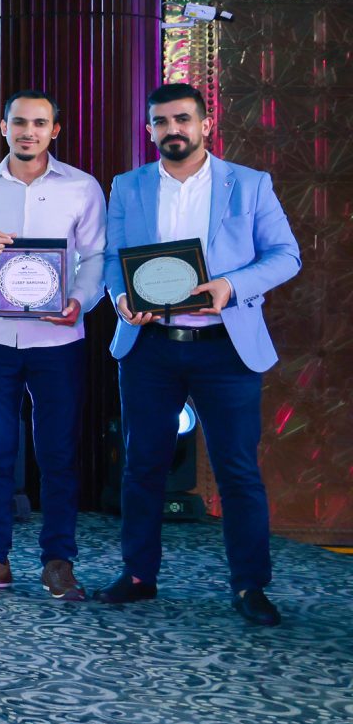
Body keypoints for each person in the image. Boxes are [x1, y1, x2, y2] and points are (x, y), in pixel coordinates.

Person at [99, 82, 302, 626]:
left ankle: (250, 585)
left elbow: (286, 255)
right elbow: (112, 258)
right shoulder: (128, 186)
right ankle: (138, 575)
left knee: (237, 471)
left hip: (225, 349)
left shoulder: (250, 184)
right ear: (150, 130)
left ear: (206, 124)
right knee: (142, 466)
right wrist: (119, 296)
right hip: (150, 348)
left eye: (183, 119)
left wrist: (231, 285)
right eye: (162, 122)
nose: (174, 130)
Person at [0, 89, 105, 601]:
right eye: (19, 122)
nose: (28, 132)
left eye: (39, 123)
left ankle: (58, 562)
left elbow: (96, 257)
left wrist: (80, 300)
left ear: (54, 130)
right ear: (3, 128)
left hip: (58, 337)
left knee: (58, 452)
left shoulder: (81, 187)